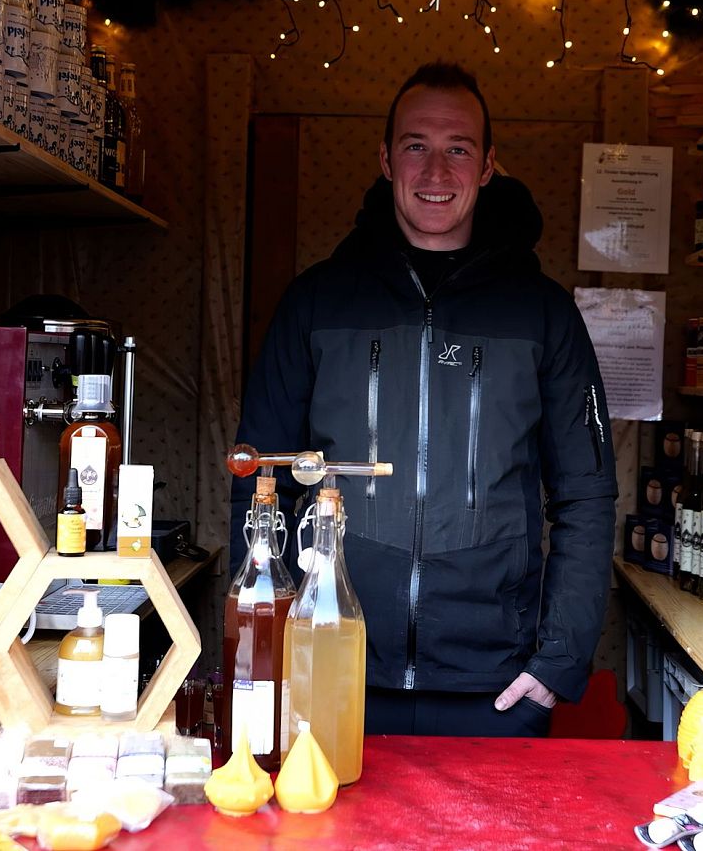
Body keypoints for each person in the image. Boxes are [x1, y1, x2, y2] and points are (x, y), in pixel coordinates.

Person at [233, 61, 617, 737]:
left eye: (458, 149)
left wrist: (557, 663)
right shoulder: (317, 302)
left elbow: (587, 495)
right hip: (334, 664)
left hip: (498, 686)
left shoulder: (542, 315)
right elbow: (258, 473)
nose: (436, 171)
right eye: (416, 146)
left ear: (488, 163)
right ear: (385, 159)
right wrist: (272, 640)